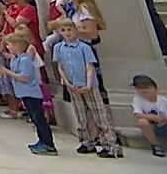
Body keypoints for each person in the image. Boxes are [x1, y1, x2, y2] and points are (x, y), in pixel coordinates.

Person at [50, 18, 120, 158]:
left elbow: (90, 67)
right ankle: (87, 141)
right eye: (63, 30)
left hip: (89, 85)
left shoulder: (84, 47)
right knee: (81, 114)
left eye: (70, 29)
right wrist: (67, 82)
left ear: (75, 30)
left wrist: (88, 84)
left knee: (99, 114)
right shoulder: (58, 48)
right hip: (72, 85)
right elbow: (60, 67)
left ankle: (110, 144)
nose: (67, 33)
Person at [0, 33, 55, 155]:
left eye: (9, 45)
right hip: (24, 93)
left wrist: (8, 72)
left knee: (39, 119)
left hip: (32, 93)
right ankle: (41, 140)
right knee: (34, 119)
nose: (8, 47)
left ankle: (49, 144)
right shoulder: (15, 59)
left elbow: (24, 77)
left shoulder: (25, 60)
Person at [131, 74, 167, 158]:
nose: (144, 91)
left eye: (146, 88)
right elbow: (138, 114)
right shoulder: (138, 100)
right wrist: (154, 118)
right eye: (139, 88)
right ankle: (155, 145)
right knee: (142, 122)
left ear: (155, 88)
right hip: (151, 127)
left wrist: (166, 119)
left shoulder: (164, 100)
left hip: (166, 125)